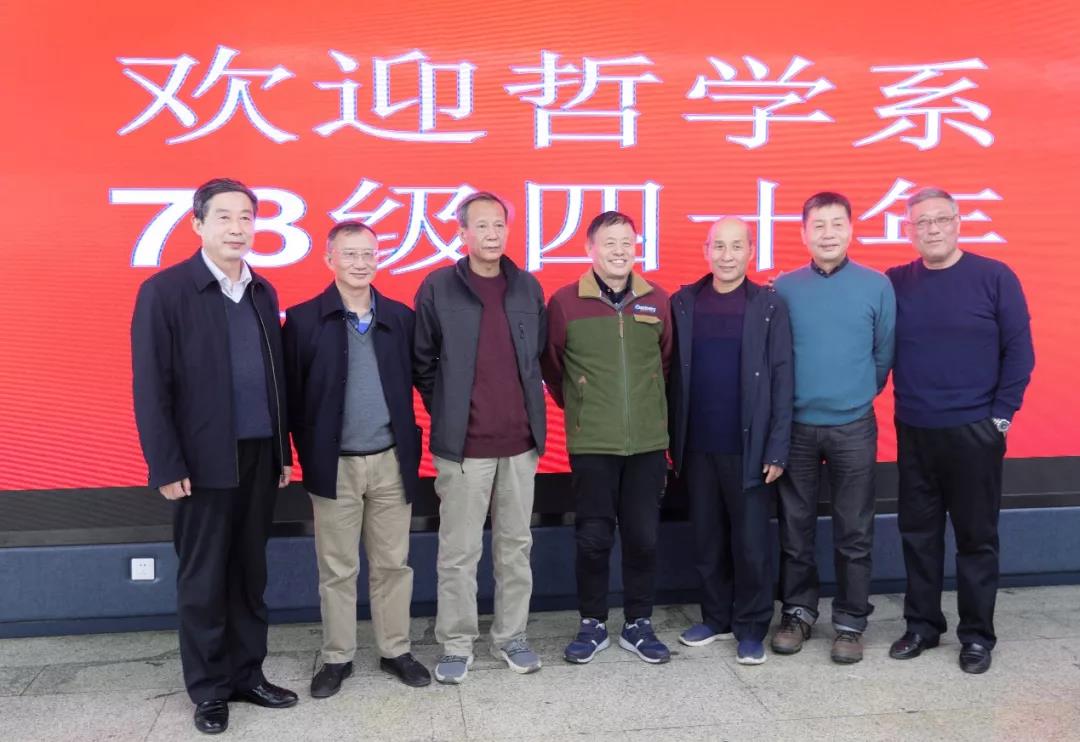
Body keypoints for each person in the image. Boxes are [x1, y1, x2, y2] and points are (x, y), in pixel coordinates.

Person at [131, 178, 297, 734]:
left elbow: (275, 381)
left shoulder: (262, 291)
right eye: (224, 216)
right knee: (203, 580)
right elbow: (151, 386)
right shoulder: (165, 291)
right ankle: (208, 690)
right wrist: (166, 463)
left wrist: (282, 450)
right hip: (201, 463)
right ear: (198, 224)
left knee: (250, 573)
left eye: (246, 216)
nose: (237, 227)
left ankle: (248, 675)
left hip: (259, 456)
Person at [886, 187, 1035, 674]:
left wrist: (1001, 417)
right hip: (915, 428)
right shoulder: (896, 281)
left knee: (976, 539)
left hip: (975, 431)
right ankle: (922, 626)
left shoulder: (994, 276)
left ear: (957, 222)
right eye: (920, 222)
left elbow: (1020, 352)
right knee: (918, 535)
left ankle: (976, 636)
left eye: (940, 219)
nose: (931, 229)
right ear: (909, 230)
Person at [283, 221, 430, 697]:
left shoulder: (400, 318)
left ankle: (395, 650)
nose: (360, 263)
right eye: (349, 254)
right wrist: (287, 454)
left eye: (369, 254)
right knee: (338, 568)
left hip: (391, 460)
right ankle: (336, 657)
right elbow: (288, 396)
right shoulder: (304, 320)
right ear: (329, 259)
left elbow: (424, 379)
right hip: (334, 463)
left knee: (393, 564)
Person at [413, 192, 547, 684]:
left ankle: (512, 637)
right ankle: (456, 643)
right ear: (463, 233)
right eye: (481, 226)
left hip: (520, 445)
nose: (492, 234)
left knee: (515, 548)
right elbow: (422, 361)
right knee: (459, 552)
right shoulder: (439, 286)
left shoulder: (527, 286)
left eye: (499, 225)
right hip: (463, 448)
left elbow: (535, 358)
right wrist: (451, 412)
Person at [542, 211, 674, 665]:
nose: (619, 251)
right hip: (592, 442)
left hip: (648, 443)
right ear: (590, 249)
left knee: (643, 537)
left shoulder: (657, 300)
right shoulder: (565, 302)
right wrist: (584, 405)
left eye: (627, 243)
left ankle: (638, 623)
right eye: (609, 243)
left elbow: (666, 365)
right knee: (593, 538)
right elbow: (553, 366)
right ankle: (592, 623)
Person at [772, 191, 896, 664]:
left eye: (837, 224)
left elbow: (883, 355)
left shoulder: (877, 286)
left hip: (853, 425)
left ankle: (850, 621)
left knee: (854, 530)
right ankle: (798, 612)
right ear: (803, 233)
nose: (828, 234)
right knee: (795, 528)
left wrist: (854, 392)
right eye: (818, 225)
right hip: (797, 428)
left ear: (851, 229)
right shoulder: (783, 288)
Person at [668, 217, 793, 665]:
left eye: (736, 246)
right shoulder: (683, 302)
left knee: (752, 544)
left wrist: (777, 446)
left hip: (751, 448)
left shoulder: (768, 305)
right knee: (707, 540)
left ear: (750, 252)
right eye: (718, 246)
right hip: (697, 444)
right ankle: (715, 618)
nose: (726, 255)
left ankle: (752, 627)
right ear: (706, 250)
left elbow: (782, 377)